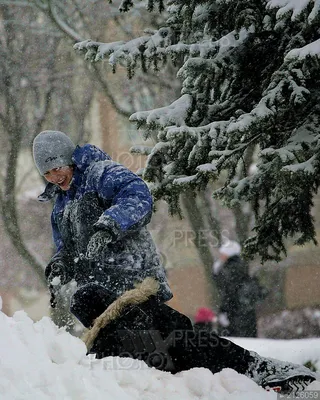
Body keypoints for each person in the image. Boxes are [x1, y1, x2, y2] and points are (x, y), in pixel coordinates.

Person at [33, 130, 316, 394]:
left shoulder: (101, 173)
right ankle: (179, 388)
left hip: (131, 280)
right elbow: (65, 248)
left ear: (70, 158)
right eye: (47, 172)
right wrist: (60, 264)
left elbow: (138, 195)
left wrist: (108, 225)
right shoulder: (62, 206)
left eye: (57, 167)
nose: (54, 176)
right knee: (121, 345)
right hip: (100, 292)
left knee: (177, 339)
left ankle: (257, 370)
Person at [213, 240, 267, 337]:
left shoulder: (230, 269)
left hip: (235, 314)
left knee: (235, 344)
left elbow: (228, 292)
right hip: (245, 313)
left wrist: (224, 311)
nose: (221, 256)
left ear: (228, 253)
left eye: (223, 253)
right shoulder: (240, 265)